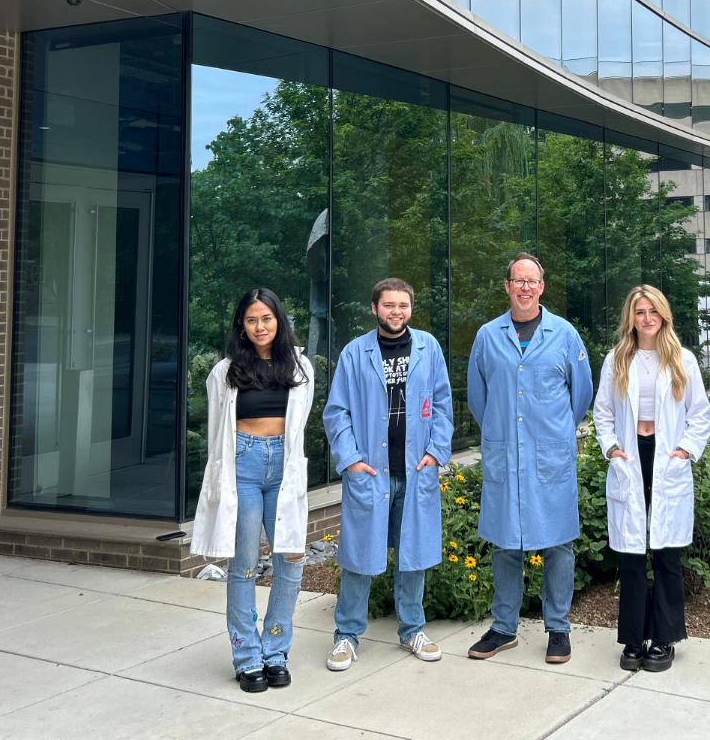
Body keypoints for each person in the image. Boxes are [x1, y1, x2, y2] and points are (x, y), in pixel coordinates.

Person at [465, 252, 593, 664]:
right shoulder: (487, 336)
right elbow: (478, 397)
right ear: (507, 287)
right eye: (517, 281)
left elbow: (582, 394)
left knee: (558, 544)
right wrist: (505, 436)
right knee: (505, 544)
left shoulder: (565, 334)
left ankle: (559, 629)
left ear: (542, 287)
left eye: (532, 281)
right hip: (506, 454)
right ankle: (503, 628)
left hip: (549, 458)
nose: (525, 287)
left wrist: (551, 435)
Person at [322, 278, 453, 670]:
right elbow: (337, 411)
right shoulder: (354, 353)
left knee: (412, 556)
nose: (397, 311)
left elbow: (443, 402)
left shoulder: (428, 348)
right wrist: (350, 460)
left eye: (403, 305)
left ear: (410, 308)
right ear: (374, 308)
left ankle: (412, 629)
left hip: (415, 471)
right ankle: (346, 636)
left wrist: (435, 452)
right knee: (359, 557)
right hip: (371, 473)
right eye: (389, 305)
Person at [191, 288, 315, 693]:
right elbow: (215, 438)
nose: (260, 326)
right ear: (241, 326)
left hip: (284, 469)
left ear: (278, 320)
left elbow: (299, 430)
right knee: (243, 565)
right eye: (251, 320)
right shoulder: (225, 372)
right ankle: (247, 657)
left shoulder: (301, 367)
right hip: (241, 467)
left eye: (266, 318)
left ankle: (276, 651)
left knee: (290, 561)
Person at [593, 285, 710, 672]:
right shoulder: (617, 359)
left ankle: (664, 638)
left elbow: (699, 415)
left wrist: (684, 451)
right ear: (631, 318)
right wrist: (611, 448)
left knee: (665, 552)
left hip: (667, 457)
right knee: (631, 554)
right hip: (630, 455)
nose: (647, 319)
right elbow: (603, 412)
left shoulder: (681, 359)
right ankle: (632, 639)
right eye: (639, 312)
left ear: (664, 315)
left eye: (653, 311)